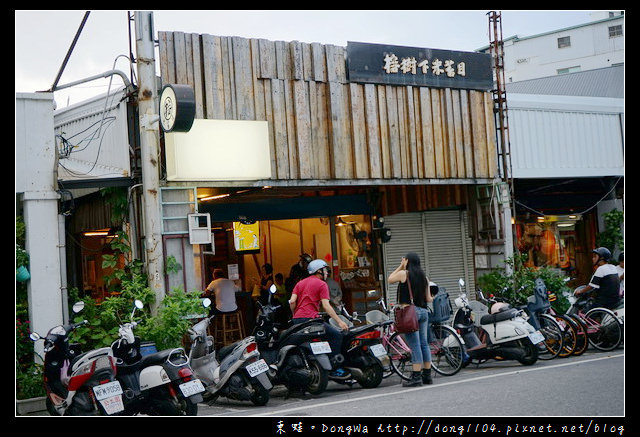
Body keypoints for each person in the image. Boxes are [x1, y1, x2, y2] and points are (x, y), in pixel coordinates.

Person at [289, 259, 349, 375]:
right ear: (319, 271)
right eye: (325, 270)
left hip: (298, 320)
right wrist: (339, 321)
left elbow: (292, 302)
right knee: (336, 335)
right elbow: (326, 306)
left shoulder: (299, 283)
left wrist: (294, 314)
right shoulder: (322, 284)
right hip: (312, 321)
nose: (327, 272)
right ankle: (335, 367)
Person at [388, 252, 434, 387]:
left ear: (408, 261)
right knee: (424, 344)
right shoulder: (424, 277)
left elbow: (390, 279)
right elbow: (428, 299)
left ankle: (416, 377)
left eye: (405, 260)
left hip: (410, 314)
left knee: (415, 345)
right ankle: (427, 375)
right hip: (424, 312)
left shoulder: (404, 274)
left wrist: (400, 266)